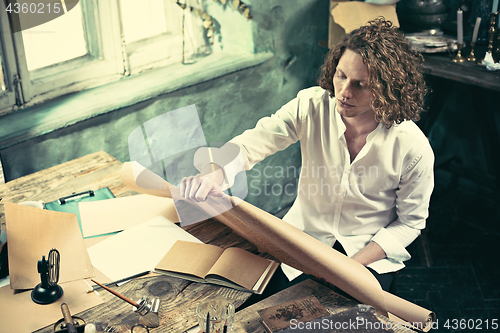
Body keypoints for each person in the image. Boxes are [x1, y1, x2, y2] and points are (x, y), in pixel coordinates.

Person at [180, 18, 434, 297]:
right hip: (302, 240)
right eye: (341, 75)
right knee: (264, 309)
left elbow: (410, 222)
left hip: (367, 253)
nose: (344, 92)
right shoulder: (311, 105)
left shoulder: (413, 147)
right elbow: (256, 140)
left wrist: (349, 266)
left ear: (388, 90)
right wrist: (215, 172)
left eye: (361, 85)